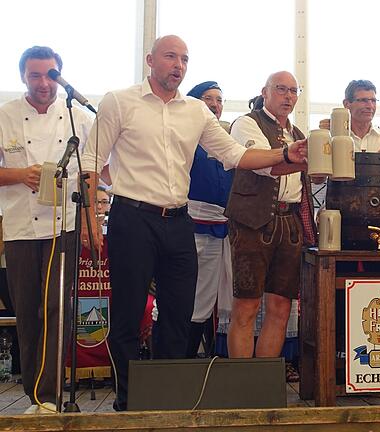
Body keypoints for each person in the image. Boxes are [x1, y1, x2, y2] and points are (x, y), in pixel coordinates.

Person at [79, 35, 307, 411]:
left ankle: (166, 394)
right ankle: (128, 397)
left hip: (177, 220)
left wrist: (284, 153)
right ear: (151, 60)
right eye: (171, 57)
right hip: (131, 217)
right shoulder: (119, 101)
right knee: (128, 311)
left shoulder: (196, 112)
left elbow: (234, 154)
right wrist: (89, 218)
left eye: (184, 59)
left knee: (178, 311)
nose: (179, 65)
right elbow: (91, 161)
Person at [0, 46, 93, 414]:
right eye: (35, 75)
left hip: (63, 227)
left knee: (57, 309)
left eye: (50, 75)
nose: (43, 83)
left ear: (60, 75)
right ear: (23, 77)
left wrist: (89, 225)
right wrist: (19, 175)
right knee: (28, 311)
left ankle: (51, 396)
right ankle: (34, 394)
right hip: (21, 229)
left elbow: (92, 170)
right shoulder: (5, 115)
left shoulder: (76, 118)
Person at [225, 71, 316, 363]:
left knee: (280, 307)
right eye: (281, 89)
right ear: (264, 92)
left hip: (290, 222)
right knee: (247, 306)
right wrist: (298, 159)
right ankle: (242, 385)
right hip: (252, 221)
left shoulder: (298, 134)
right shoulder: (246, 123)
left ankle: (263, 383)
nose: (288, 96)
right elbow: (263, 164)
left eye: (293, 91)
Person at [185, 81, 234, 358]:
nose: (215, 104)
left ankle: (199, 361)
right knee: (185, 294)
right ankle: (173, 362)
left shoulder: (226, 141)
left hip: (221, 228)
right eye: (208, 98)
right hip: (189, 225)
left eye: (219, 100)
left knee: (207, 298)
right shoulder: (186, 137)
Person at [321, 79, 380, 177]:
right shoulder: (332, 138)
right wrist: (323, 137)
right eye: (363, 100)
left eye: (373, 101)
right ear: (346, 104)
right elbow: (317, 180)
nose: (370, 106)